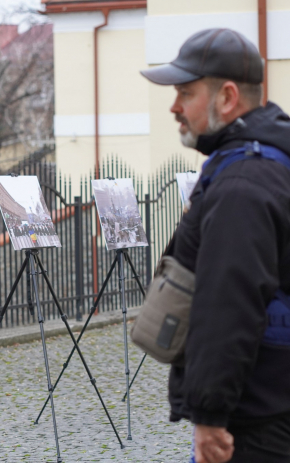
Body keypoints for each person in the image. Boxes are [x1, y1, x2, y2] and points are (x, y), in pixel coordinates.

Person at [141, 28, 290, 463]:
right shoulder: (267, 160)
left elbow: (228, 302)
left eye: (185, 93)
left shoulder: (243, 182)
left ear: (226, 97)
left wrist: (209, 414)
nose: (174, 107)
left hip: (254, 417)